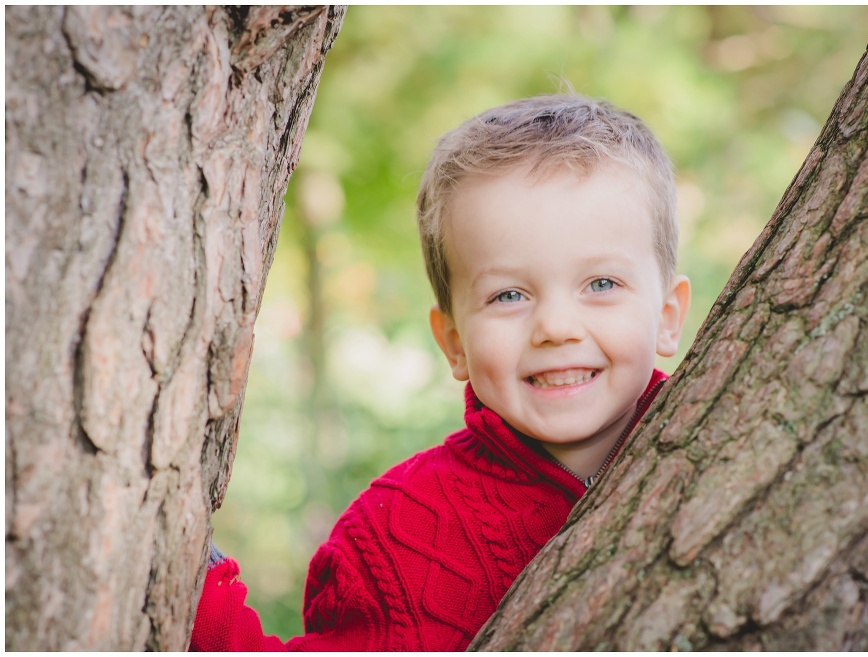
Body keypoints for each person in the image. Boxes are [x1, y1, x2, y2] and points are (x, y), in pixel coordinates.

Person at [190, 93, 691, 651]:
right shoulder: (394, 540)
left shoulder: (717, 448)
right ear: (453, 342)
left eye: (601, 285)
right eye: (508, 295)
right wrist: (194, 593)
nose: (556, 327)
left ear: (667, 317)